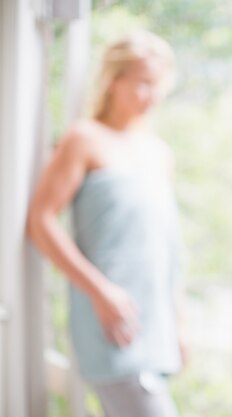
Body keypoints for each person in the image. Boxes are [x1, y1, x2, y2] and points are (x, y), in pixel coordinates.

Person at [27, 30, 185, 417]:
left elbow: (169, 248)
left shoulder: (158, 152)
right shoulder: (84, 139)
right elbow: (41, 221)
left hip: (157, 325)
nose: (152, 95)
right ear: (113, 81)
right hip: (111, 321)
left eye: (158, 84)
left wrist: (179, 322)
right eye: (143, 83)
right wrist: (100, 292)